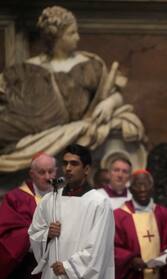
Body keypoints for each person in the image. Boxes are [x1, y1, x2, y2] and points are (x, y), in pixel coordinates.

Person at [0, 5, 144, 172]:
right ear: (56, 37)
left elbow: (114, 95)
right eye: (72, 33)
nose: (77, 37)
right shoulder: (29, 68)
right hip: (32, 124)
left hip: (68, 125)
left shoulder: (89, 65)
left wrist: (110, 103)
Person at [28, 144, 115, 279]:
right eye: (65, 163)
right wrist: (48, 234)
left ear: (86, 169)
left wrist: (68, 266)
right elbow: (34, 233)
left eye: (74, 164)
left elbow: (99, 248)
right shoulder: (50, 199)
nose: (68, 168)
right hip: (52, 273)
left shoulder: (99, 203)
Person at [114, 169, 167, 279]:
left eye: (146, 185)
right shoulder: (118, 217)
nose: (143, 189)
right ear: (130, 189)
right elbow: (112, 247)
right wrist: (130, 260)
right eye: (138, 185)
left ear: (152, 188)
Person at [0, 152, 56, 279]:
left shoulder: (64, 197)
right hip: (27, 269)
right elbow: (8, 236)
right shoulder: (16, 198)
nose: (47, 176)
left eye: (51, 171)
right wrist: (44, 234)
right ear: (32, 174)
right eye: (42, 172)